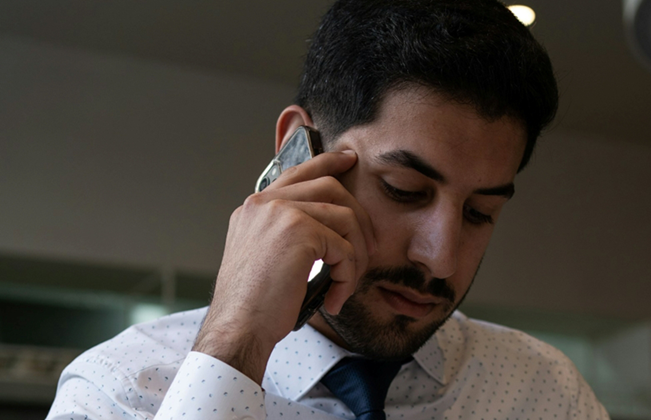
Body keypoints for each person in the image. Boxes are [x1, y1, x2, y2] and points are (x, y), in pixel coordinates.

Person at [47, 0, 609, 419]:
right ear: (300, 150)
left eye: (480, 213)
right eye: (404, 189)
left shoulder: (546, 391)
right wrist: (237, 346)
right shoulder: (119, 387)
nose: (440, 259)